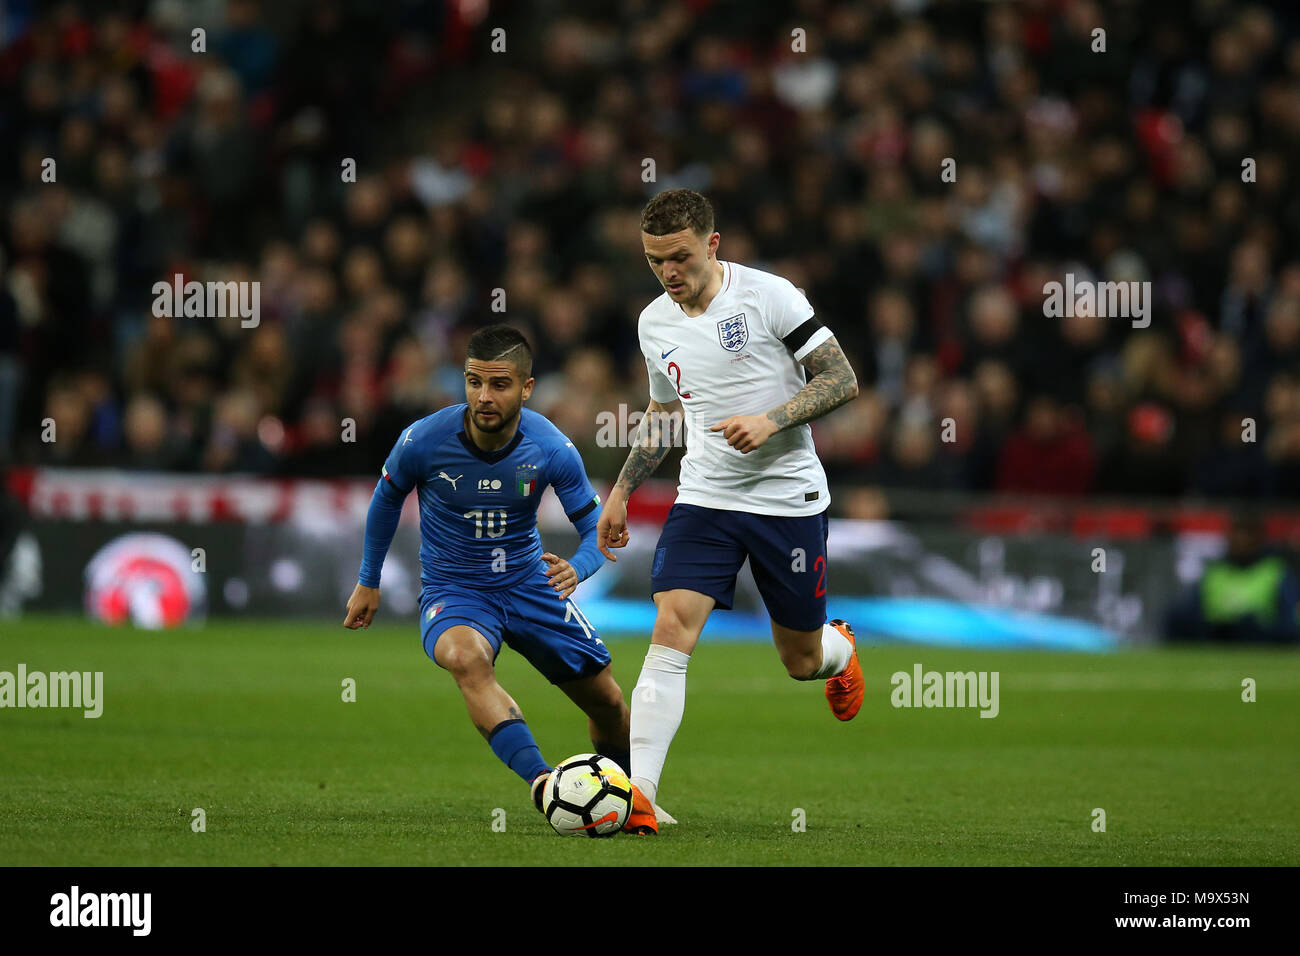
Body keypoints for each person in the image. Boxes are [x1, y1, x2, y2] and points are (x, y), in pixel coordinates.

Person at [597, 189, 863, 835]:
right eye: (655, 260)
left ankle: (839, 651)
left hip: (787, 502)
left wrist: (772, 419)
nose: (669, 272)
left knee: (799, 660)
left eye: (681, 257)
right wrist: (621, 491)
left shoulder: (770, 296)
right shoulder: (653, 322)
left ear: (713, 245)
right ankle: (642, 795)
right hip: (706, 498)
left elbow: (841, 378)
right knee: (670, 626)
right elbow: (665, 416)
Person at [344, 325, 636, 821]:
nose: (484, 396)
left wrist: (579, 568)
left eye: (499, 384)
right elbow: (386, 498)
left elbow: (596, 530)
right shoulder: (423, 440)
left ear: (526, 388)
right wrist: (368, 578)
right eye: (474, 381)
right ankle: (545, 784)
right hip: (455, 589)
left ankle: (630, 798)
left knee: (608, 702)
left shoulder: (551, 448)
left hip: (529, 586)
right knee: (465, 659)